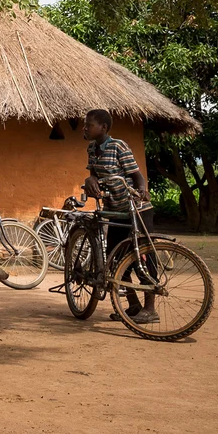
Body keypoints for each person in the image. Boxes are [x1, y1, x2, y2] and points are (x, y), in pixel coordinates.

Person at [83, 108, 157, 323]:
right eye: (85, 125)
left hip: (136, 210)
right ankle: (133, 305)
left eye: (89, 125)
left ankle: (150, 309)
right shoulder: (91, 148)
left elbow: (137, 175)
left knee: (141, 255)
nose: (85, 128)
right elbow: (94, 173)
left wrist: (141, 192)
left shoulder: (118, 146)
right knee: (115, 257)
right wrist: (90, 180)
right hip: (115, 209)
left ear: (103, 128)